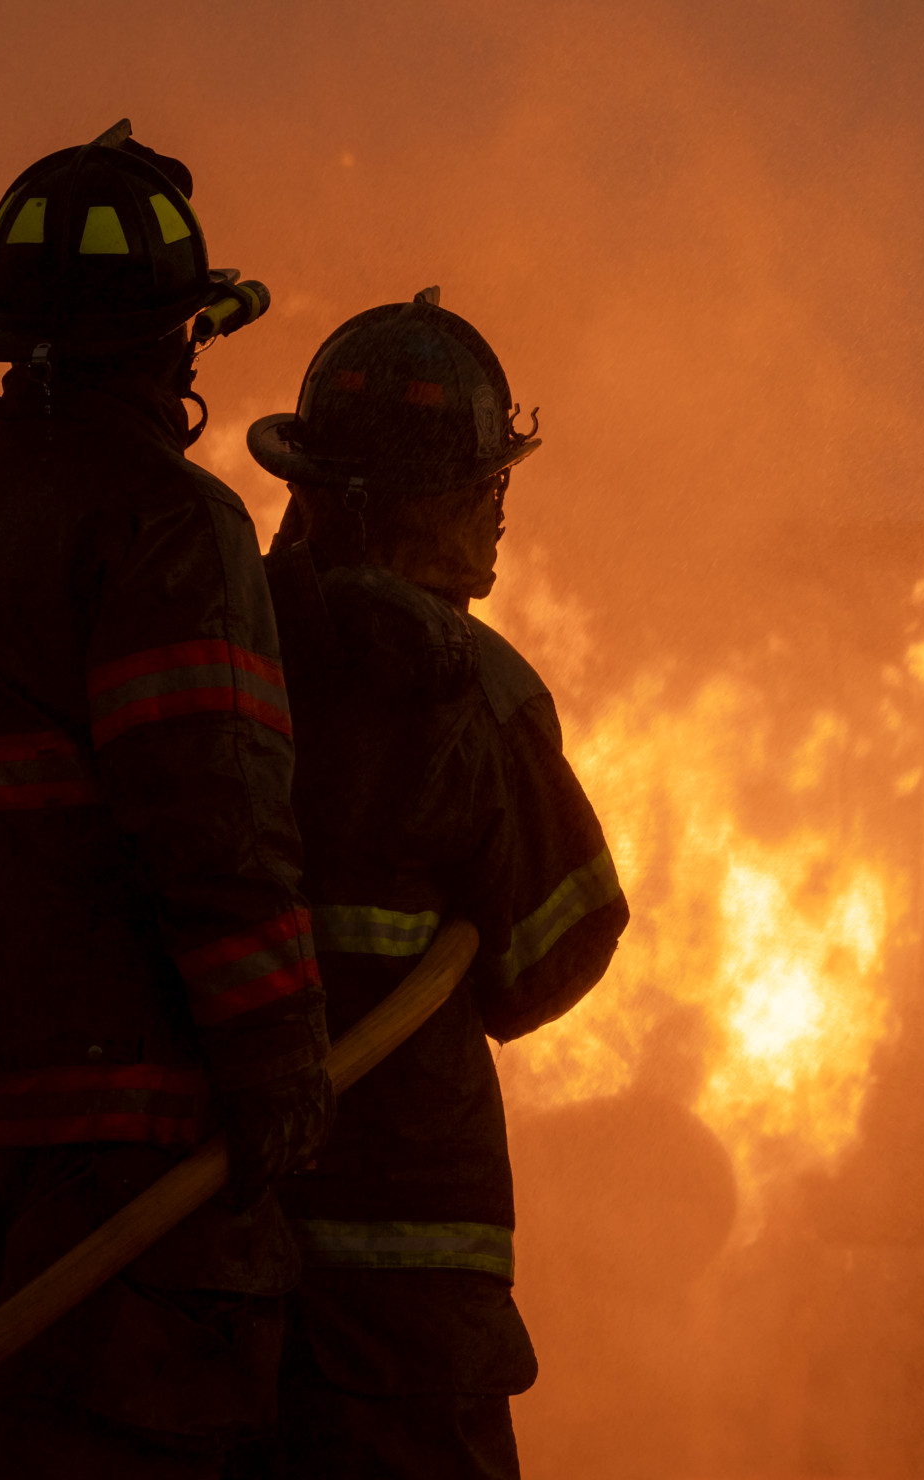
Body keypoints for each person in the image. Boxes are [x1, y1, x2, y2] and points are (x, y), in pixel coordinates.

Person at [0, 119, 331, 1480]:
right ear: (173, 342)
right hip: (136, 1171)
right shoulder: (170, 523)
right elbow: (215, 825)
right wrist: (280, 1064)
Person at [242, 288, 628, 1478]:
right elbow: (558, 945)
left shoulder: (219, 651)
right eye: (482, 487)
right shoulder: (475, 693)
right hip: (412, 1301)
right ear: (413, 507)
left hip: (214, 1268)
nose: (499, 514)